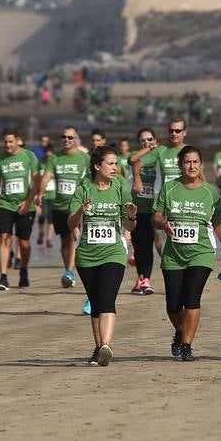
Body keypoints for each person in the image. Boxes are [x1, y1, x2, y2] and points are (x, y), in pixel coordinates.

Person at [152, 146, 221, 362]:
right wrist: (163, 223)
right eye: (187, 162)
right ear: (180, 165)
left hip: (201, 253)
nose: (191, 166)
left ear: (201, 165)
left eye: (195, 162)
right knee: (173, 305)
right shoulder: (170, 188)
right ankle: (180, 331)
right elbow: (156, 217)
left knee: (192, 299)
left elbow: (219, 225)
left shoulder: (209, 192)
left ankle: (187, 345)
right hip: (173, 255)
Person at [69, 145, 137, 366]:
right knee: (96, 303)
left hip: (114, 252)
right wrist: (81, 211)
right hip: (87, 255)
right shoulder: (83, 188)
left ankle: (106, 345)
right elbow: (70, 223)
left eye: (116, 163)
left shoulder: (119, 186)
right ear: (97, 166)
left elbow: (129, 224)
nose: (115, 168)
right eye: (110, 163)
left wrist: (132, 218)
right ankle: (99, 349)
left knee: (107, 299)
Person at [129, 119, 187, 294]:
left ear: (185, 132)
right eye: (171, 130)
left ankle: (182, 276)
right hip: (158, 205)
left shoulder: (187, 152)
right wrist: (137, 179)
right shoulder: (161, 151)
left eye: (178, 131)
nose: (174, 133)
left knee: (179, 241)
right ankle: (145, 279)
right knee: (153, 242)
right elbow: (135, 161)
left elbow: (198, 173)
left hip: (182, 205)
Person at [36, 125, 90, 292]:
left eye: (70, 137)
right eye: (64, 137)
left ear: (76, 139)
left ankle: (71, 271)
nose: (66, 140)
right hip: (58, 205)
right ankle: (69, 271)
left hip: (76, 206)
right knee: (65, 241)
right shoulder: (55, 158)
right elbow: (46, 177)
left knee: (74, 238)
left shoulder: (84, 158)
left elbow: (92, 178)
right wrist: (40, 192)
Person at [0, 129, 38, 290]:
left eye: (11, 141)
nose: (8, 145)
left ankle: (23, 270)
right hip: (6, 204)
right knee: (4, 237)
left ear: (18, 140)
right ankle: (3, 276)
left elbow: (37, 181)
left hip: (26, 205)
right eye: (5, 142)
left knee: (24, 243)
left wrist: (28, 201)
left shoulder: (29, 156)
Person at [127, 128, 160, 295]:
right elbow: (133, 159)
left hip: (155, 208)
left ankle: (148, 278)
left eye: (149, 139)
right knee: (139, 245)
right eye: (143, 141)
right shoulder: (136, 155)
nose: (146, 142)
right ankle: (142, 278)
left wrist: (155, 149)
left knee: (153, 244)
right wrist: (149, 148)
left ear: (156, 139)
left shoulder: (160, 155)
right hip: (137, 207)